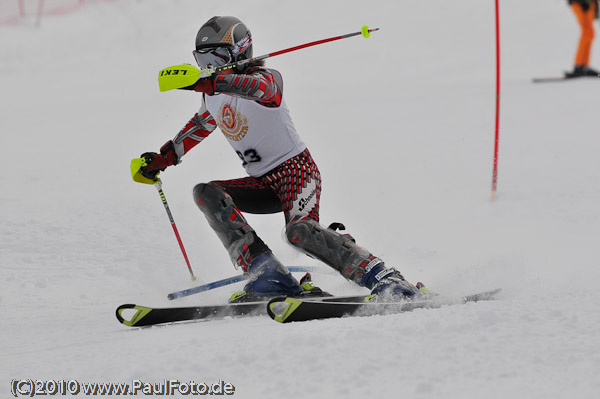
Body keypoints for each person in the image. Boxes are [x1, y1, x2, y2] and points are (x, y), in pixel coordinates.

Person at [135, 16, 420, 302]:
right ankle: (268, 274)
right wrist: (163, 158)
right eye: (202, 59)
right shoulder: (214, 96)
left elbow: (260, 91)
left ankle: (383, 276)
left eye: (216, 57)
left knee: (299, 232)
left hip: (296, 173)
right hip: (262, 183)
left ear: (240, 52)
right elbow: (199, 126)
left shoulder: (268, 79)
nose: (208, 66)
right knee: (206, 193)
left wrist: (209, 83)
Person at [567, 0, 600, 77]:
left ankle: (583, 65)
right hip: (580, 3)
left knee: (590, 33)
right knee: (587, 32)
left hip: (589, 5)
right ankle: (579, 65)